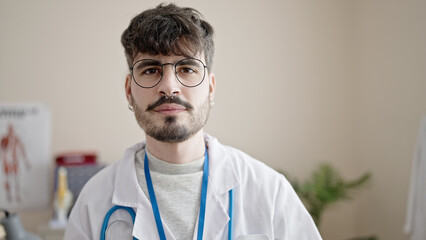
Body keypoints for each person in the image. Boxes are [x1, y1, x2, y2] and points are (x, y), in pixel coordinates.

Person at [64, 3, 321, 240]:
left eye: (186, 68)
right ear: (129, 90)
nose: (169, 87)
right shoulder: (94, 202)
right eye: (151, 69)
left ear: (210, 88)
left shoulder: (270, 192)